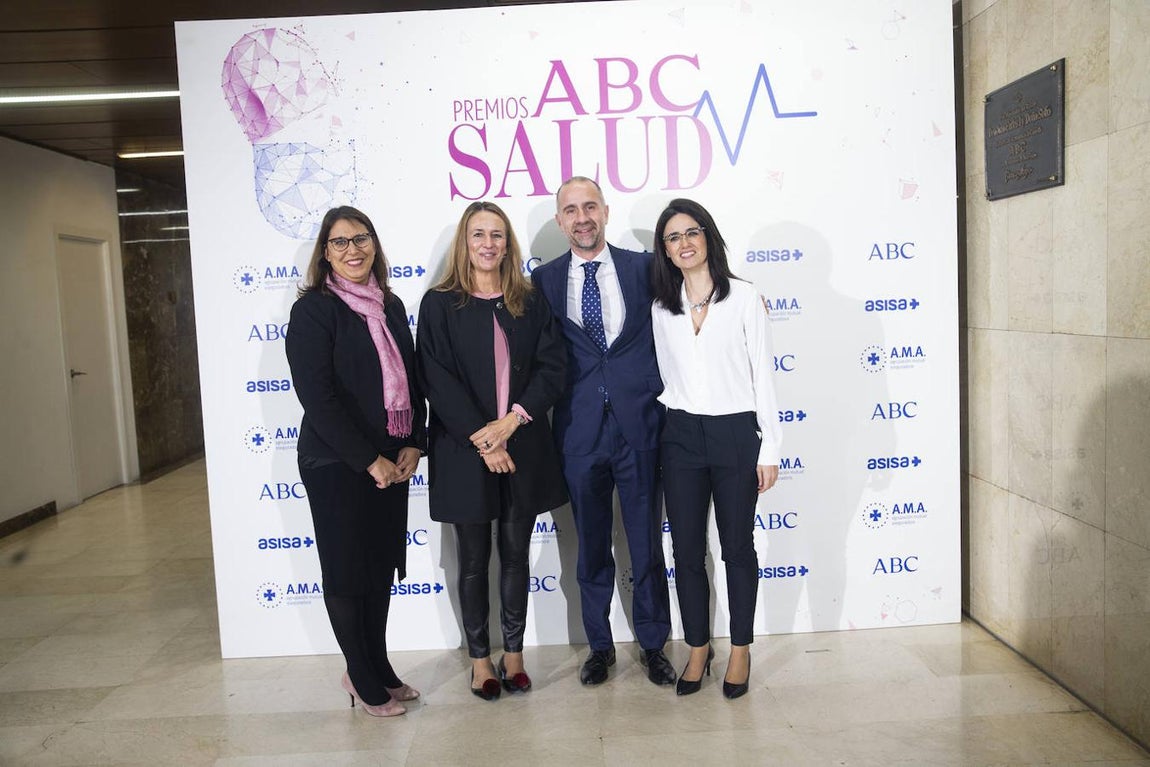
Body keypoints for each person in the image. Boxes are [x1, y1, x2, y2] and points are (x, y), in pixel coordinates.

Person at [417, 201, 568, 701]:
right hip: (465, 453)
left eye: (497, 235)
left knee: (515, 557)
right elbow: (435, 379)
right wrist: (484, 440)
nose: (488, 244)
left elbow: (553, 367)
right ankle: (480, 660)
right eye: (479, 234)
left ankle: (515, 655)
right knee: (475, 561)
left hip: (522, 444)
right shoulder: (440, 303)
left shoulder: (528, 298)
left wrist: (510, 423)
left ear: (508, 244)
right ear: (465, 241)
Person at [530, 176, 676, 687]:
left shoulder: (644, 269)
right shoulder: (542, 283)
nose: (582, 217)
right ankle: (598, 647)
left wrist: (744, 297)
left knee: (645, 545)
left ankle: (655, 644)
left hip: (641, 428)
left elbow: (699, 284)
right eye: (571, 210)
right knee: (590, 547)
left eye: (590, 206)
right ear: (559, 220)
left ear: (606, 211)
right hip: (577, 433)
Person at [285, 206, 426, 718]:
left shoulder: (390, 305)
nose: (353, 250)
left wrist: (414, 440)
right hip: (338, 463)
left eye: (361, 239)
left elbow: (411, 379)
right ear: (326, 252)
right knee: (347, 570)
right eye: (340, 242)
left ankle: (378, 665)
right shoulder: (314, 311)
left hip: (393, 458)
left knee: (379, 566)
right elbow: (318, 399)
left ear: (375, 245)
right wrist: (370, 460)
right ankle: (360, 674)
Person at [649, 198, 782, 699]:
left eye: (691, 233)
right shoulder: (662, 308)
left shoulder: (745, 298)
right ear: (665, 250)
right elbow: (665, 374)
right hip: (680, 435)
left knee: (736, 548)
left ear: (708, 238)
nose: (683, 243)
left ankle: (741, 649)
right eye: (672, 237)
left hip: (734, 435)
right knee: (685, 551)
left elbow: (763, 377)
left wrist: (770, 447)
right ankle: (698, 648)